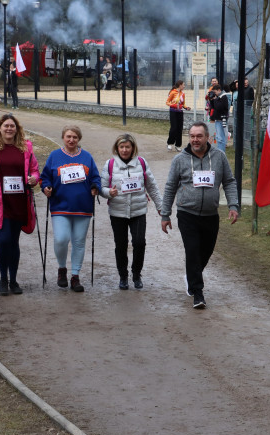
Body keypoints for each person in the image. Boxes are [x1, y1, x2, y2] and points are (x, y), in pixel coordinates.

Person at [159, 121, 239, 309]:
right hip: (187, 213)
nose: (195, 140)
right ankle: (198, 293)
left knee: (206, 251)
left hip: (211, 214)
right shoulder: (180, 160)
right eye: (192, 136)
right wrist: (165, 214)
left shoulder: (219, 157)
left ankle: (191, 275)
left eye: (199, 136)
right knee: (193, 251)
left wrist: (233, 205)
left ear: (207, 137)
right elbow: (170, 187)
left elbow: (229, 181)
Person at [0, 113, 40, 295]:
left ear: (17, 129)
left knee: (13, 242)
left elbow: (35, 170)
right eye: (6, 126)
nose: (9, 129)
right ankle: (3, 279)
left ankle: (13, 280)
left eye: (12, 126)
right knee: (3, 241)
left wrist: (33, 179)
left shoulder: (25, 147)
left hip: (19, 201)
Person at [40, 125, 101, 293]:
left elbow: (95, 176)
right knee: (61, 239)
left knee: (79, 242)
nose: (71, 140)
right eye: (68, 136)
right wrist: (46, 187)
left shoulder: (87, 156)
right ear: (63, 137)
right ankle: (62, 269)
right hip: (60, 205)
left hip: (83, 207)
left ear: (79, 138)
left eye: (75, 137)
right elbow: (45, 177)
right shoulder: (55, 156)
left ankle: (75, 276)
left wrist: (96, 186)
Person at [100, 133, 163, 290]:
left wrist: (160, 206)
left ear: (133, 148)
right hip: (117, 212)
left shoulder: (141, 163)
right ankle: (123, 276)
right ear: (117, 148)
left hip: (138, 211)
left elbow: (152, 186)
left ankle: (136, 274)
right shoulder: (109, 165)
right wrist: (109, 192)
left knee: (139, 243)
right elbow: (101, 188)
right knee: (120, 245)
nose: (124, 150)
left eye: (127, 147)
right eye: (121, 147)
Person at [165, 79, 190, 151]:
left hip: (180, 112)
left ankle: (178, 145)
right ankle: (170, 143)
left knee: (180, 128)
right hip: (173, 112)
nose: (184, 86)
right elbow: (167, 102)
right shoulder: (173, 92)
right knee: (174, 128)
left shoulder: (183, 94)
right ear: (180, 85)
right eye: (183, 85)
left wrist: (186, 107)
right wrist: (174, 105)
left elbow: (183, 103)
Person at [207, 84, 230, 152]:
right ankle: (220, 151)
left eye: (215, 92)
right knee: (218, 137)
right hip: (217, 119)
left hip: (221, 119)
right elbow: (213, 107)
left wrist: (215, 99)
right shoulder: (218, 97)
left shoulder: (223, 97)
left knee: (220, 138)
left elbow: (219, 107)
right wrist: (211, 99)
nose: (214, 93)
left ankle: (221, 152)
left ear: (219, 90)